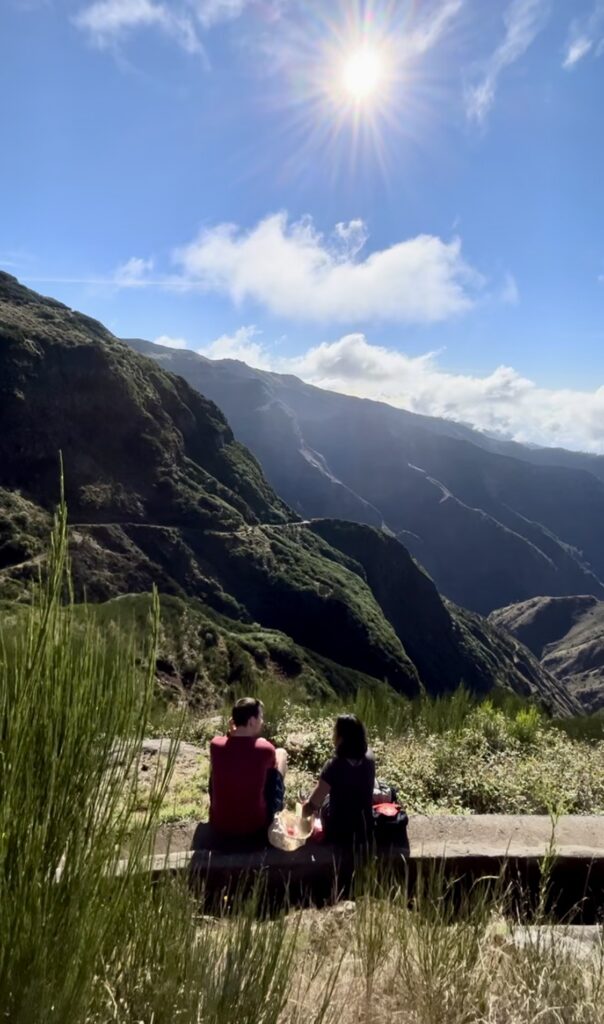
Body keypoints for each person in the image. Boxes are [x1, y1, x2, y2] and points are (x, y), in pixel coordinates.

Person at [209, 697, 287, 844]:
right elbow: (271, 773)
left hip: (220, 827)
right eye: (260, 717)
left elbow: (236, 752)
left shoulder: (215, 745)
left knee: (216, 767)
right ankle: (276, 813)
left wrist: (230, 734)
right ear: (251, 721)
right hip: (255, 829)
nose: (262, 721)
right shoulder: (265, 749)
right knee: (281, 754)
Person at [302, 714, 375, 848]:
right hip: (364, 828)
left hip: (339, 832)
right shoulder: (369, 758)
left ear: (341, 738)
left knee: (321, 802)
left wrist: (305, 807)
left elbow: (313, 804)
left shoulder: (334, 765)